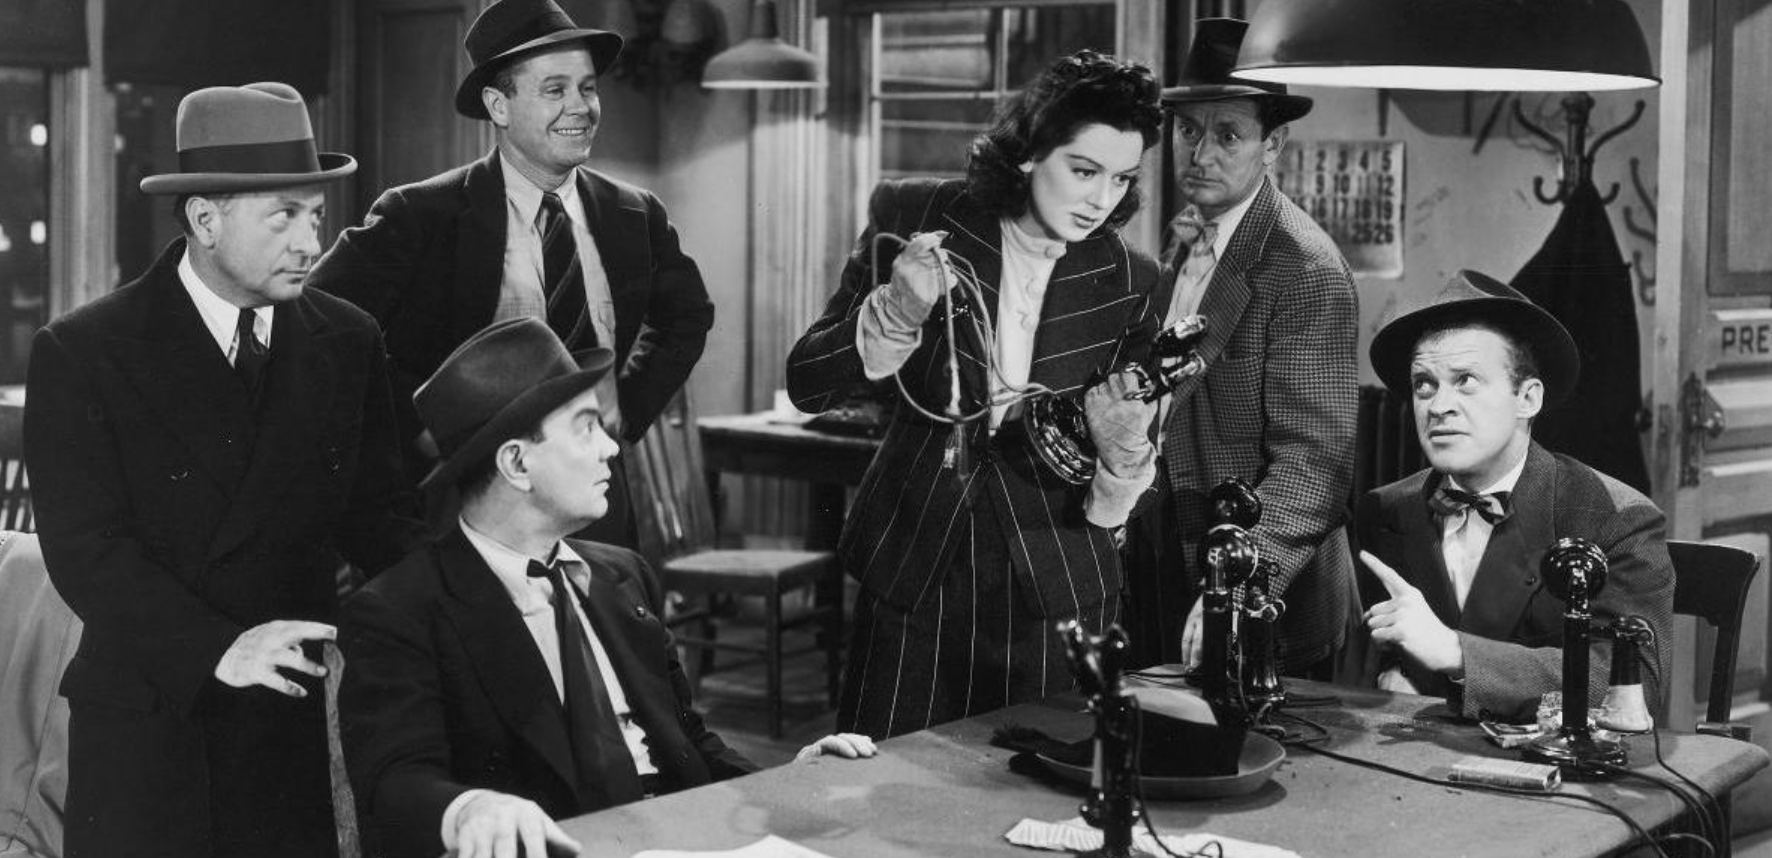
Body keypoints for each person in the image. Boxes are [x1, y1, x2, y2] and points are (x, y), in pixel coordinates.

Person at [23, 82, 423, 858]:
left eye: (316, 215)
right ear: (206, 219)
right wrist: (217, 648)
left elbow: (380, 517)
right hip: (151, 713)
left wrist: (475, 593)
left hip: (285, 714)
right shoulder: (84, 351)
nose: (312, 242)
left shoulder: (347, 337)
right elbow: (86, 551)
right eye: (285, 216)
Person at [339, 318, 875, 858]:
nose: (611, 449)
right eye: (586, 427)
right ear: (517, 463)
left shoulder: (625, 575)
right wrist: (471, 808)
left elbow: (689, 742)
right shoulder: (399, 611)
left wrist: (784, 781)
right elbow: (395, 782)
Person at [787, 50, 1168, 739]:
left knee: (1038, 801)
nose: (1101, 200)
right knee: (883, 797)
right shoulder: (915, 213)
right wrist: (896, 309)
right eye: (1083, 171)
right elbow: (808, 383)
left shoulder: (1133, 281)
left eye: (1121, 179)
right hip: (913, 559)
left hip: (1055, 576)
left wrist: (1124, 446)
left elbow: (1129, 469)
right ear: (1027, 155)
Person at [308, 0, 715, 547]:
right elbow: (318, 325)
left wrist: (628, 411)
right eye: (555, 90)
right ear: (499, 105)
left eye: (588, 88)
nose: (581, 107)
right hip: (465, 503)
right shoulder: (420, 215)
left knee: (597, 631)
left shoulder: (633, 214)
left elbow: (689, 315)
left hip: (595, 501)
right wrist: (421, 430)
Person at [1122, 18, 1359, 677]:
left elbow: (1315, 465)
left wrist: (1239, 585)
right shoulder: (1188, 235)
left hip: (1263, 585)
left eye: (1227, 134)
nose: (1201, 154)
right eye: (1189, 130)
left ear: (1273, 144)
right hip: (1173, 552)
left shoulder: (1304, 267)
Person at [1357, 269, 1674, 722]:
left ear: (1528, 398)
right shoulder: (1385, 510)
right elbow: (1383, 655)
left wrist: (1456, 652)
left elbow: (1637, 687)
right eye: (1424, 383)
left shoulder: (1617, 518)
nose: (1438, 405)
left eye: (1465, 380)